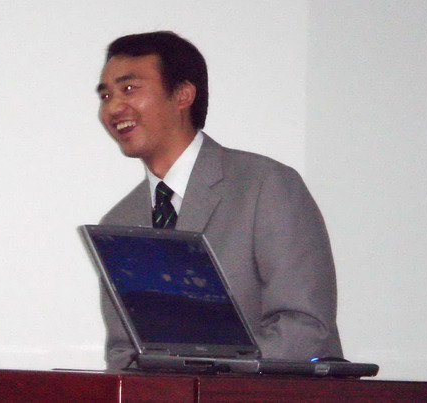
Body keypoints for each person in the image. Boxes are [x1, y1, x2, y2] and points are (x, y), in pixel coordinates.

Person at [96, 31, 343, 369]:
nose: (112, 107)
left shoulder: (265, 185)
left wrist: (208, 373)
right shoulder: (118, 223)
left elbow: (305, 327)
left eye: (128, 89)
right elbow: (123, 350)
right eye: (105, 95)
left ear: (182, 95)